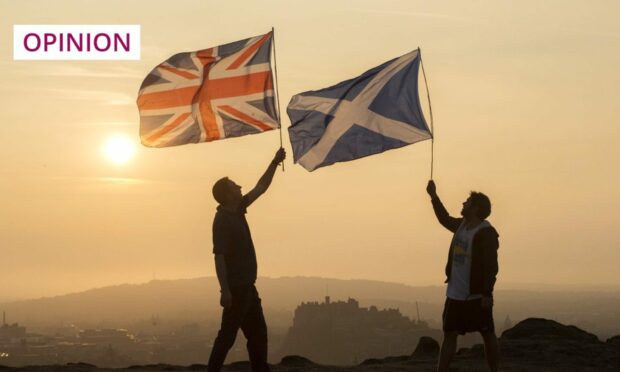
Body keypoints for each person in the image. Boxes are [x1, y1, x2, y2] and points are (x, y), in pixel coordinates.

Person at [207, 148, 286, 372]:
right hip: (237, 289)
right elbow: (219, 257)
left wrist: (274, 162)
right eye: (235, 187)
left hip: (247, 288)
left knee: (257, 335)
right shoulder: (222, 220)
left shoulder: (237, 209)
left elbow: (260, 188)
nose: (240, 188)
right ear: (227, 195)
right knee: (228, 337)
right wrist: (224, 290)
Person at [426, 180, 500, 372]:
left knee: (487, 333)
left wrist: (487, 293)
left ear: (475, 208)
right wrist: (434, 196)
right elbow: (444, 219)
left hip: (475, 295)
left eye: (467, 202)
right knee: (450, 333)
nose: (463, 204)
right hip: (455, 293)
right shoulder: (461, 226)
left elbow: (491, 266)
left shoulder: (486, 233)